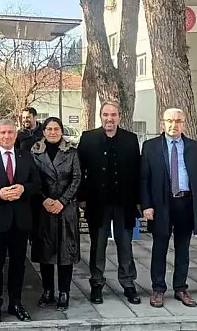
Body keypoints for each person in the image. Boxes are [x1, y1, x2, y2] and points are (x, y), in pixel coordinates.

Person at [0, 119, 41, 324]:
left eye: (10, 132)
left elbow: (37, 184)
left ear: (16, 134)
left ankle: (16, 303)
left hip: (20, 220)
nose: (6, 136)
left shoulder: (25, 156)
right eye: (2, 132)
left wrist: (24, 189)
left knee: (18, 265)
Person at [141, 108, 197, 308]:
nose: (174, 125)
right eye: (170, 121)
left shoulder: (193, 146)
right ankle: (158, 289)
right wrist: (147, 205)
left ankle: (180, 288)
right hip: (161, 204)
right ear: (163, 123)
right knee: (159, 247)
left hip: (186, 203)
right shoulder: (151, 146)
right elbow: (144, 178)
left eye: (178, 121)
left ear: (183, 124)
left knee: (183, 248)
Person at [77, 101, 141, 305]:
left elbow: (137, 172)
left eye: (113, 115)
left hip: (124, 202)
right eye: (106, 115)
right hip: (98, 202)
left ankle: (128, 283)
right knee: (98, 245)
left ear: (119, 116)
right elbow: (79, 170)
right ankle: (97, 284)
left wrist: (139, 201)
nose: (109, 119)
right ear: (101, 116)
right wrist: (82, 198)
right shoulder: (88, 138)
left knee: (125, 245)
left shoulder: (131, 139)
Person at [30, 117, 81, 311]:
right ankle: (48, 290)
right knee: (46, 252)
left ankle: (64, 292)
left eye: (56, 129)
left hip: (65, 209)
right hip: (44, 208)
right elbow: (32, 178)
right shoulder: (35, 151)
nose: (52, 132)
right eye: (49, 129)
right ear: (43, 132)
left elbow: (77, 178)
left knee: (65, 252)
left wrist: (62, 201)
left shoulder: (72, 152)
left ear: (61, 131)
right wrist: (44, 200)